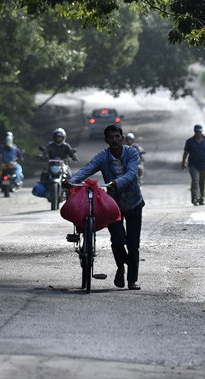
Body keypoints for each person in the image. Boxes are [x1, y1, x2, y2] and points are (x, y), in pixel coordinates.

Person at [67, 124, 144, 290]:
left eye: (117, 136)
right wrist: (72, 181)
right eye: (111, 137)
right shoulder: (102, 157)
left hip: (134, 203)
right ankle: (121, 267)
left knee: (133, 243)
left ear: (122, 138)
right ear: (106, 140)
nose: (114, 140)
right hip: (112, 205)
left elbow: (131, 173)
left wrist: (118, 182)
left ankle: (132, 280)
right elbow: (87, 169)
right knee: (117, 240)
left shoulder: (132, 153)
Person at [181, 124, 205, 205]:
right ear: (194, 132)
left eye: (199, 131)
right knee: (195, 181)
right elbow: (186, 152)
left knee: (202, 182)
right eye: (197, 131)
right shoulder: (190, 141)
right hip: (193, 165)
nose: (198, 133)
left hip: (204, 165)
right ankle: (194, 198)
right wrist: (183, 162)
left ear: (202, 131)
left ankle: (201, 197)